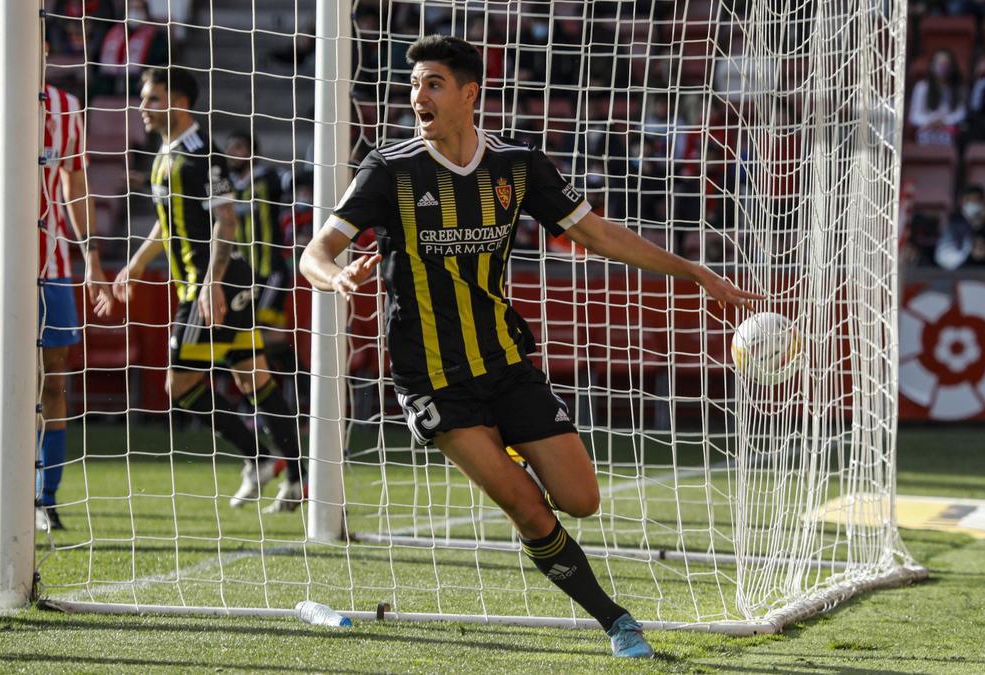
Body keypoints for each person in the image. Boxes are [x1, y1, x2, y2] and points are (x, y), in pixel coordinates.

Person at [299, 36, 761, 659]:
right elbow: (316, 253)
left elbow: (595, 233)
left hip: (507, 361)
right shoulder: (390, 169)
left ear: (469, 94)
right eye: (414, 85)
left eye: (433, 83)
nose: (417, 96)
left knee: (581, 501)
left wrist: (696, 272)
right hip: (432, 376)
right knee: (527, 506)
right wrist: (337, 278)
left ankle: (511, 459)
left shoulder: (517, 165)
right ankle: (617, 621)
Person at [113, 68, 304, 513]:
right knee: (251, 376)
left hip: (213, 284)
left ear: (179, 103)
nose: (142, 107)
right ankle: (291, 476)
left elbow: (227, 221)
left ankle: (261, 459)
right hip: (201, 285)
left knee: (178, 385)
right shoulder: (164, 154)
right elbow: (168, 219)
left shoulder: (203, 155)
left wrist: (211, 283)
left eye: (152, 99)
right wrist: (136, 265)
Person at [0, 53, 113, 532]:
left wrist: (91, 256)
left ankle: (45, 499)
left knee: (53, 379)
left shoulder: (66, 106)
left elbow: (76, 185)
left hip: (52, 266)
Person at [226, 129, 304, 485]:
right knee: (255, 346)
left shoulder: (267, 178)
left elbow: (295, 180)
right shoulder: (227, 184)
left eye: (240, 146)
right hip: (244, 279)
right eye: (231, 148)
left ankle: (292, 399)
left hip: (270, 272)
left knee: (263, 341)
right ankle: (271, 404)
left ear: (252, 151)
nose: (234, 152)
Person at [935, 184, 985, 270]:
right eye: (969, 200)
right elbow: (944, 254)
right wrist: (969, 256)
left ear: (984, 201)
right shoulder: (955, 222)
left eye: (976, 200)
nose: (973, 203)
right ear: (963, 202)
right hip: (960, 270)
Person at [908, 49, 966, 147]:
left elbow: (961, 113)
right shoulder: (921, 87)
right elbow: (914, 116)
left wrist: (945, 121)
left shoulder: (958, 88)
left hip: (949, 130)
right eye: (939, 64)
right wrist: (930, 121)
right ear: (932, 67)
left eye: (946, 64)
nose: (943, 67)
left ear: (952, 67)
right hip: (927, 130)